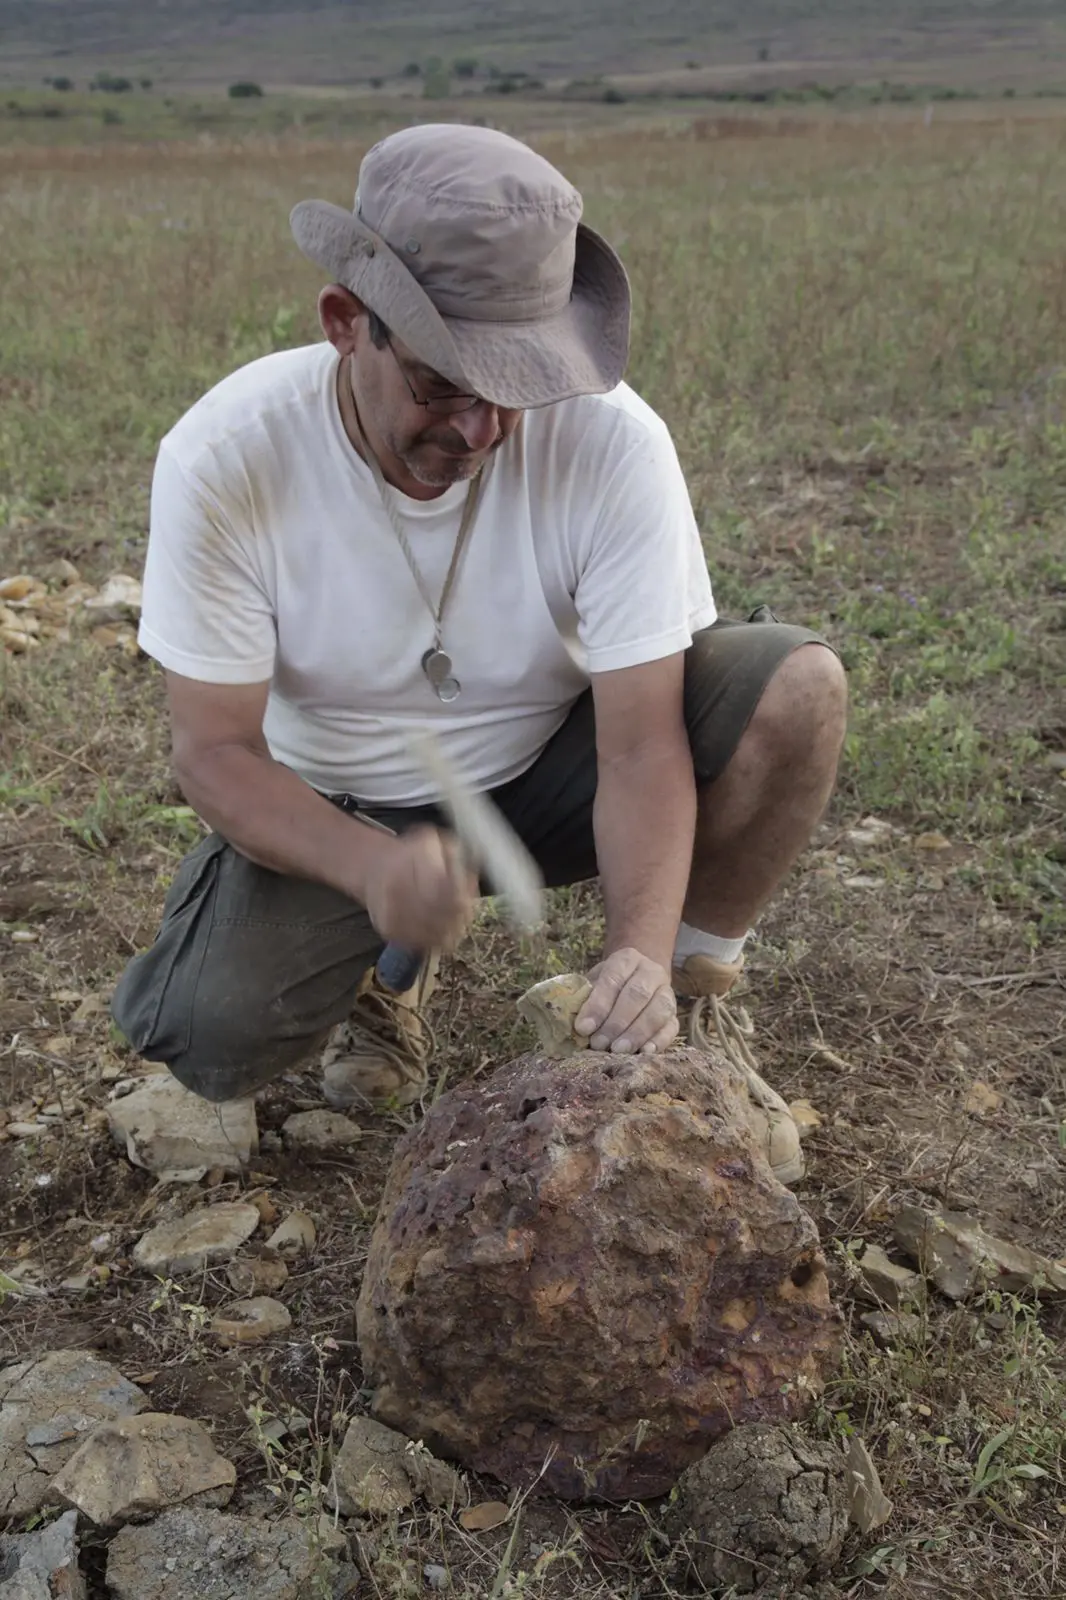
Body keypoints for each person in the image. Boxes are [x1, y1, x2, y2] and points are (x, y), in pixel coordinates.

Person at [111, 123, 847, 1186]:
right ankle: (387, 971)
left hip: (551, 771)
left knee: (796, 689)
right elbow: (214, 754)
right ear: (343, 324)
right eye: (440, 384)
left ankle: (688, 1002)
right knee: (210, 1030)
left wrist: (638, 949)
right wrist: (373, 869)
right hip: (344, 804)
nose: (480, 429)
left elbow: (642, 746)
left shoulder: (612, 442)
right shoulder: (229, 458)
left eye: (513, 386)